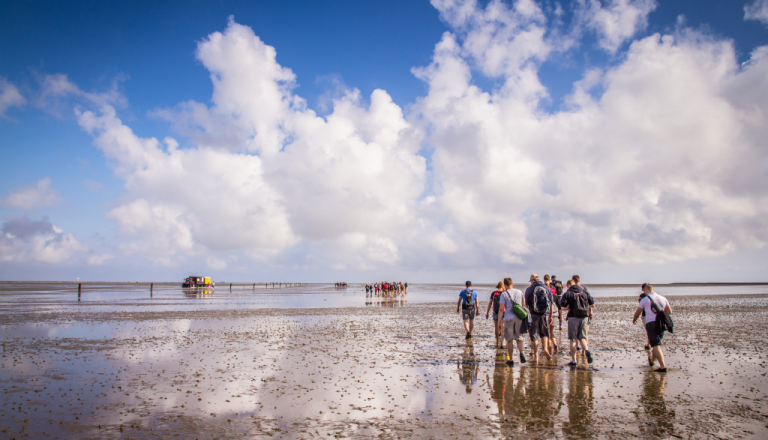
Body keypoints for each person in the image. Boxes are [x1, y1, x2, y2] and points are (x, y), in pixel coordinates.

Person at [633, 283, 672, 372]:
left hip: (651, 323)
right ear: (653, 289)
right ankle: (652, 362)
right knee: (656, 344)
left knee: (656, 345)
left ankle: (663, 367)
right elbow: (669, 311)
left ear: (646, 291)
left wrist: (634, 319)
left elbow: (638, 312)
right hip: (661, 324)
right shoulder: (663, 298)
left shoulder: (645, 299)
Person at [559, 275, 594, 365]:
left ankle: (574, 360)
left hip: (573, 317)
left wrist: (569, 308)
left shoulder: (568, 292)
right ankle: (586, 351)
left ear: (570, 285)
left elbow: (562, 307)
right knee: (582, 337)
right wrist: (588, 308)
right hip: (584, 317)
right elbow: (592, 304)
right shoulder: (584, 290)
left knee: (573, 339)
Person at [497, 277, 527, 366]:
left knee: (509, 340)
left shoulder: (504, 294)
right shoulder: (520, 292)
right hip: (519, 318)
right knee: (519, 337)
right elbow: (524, 305)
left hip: (508, 318)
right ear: (512, 284)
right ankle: (521, 352)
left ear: (505, 285)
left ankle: (510, 359)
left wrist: (499, 322)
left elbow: (501, 309)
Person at [524, 274, 553, 363]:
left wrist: (527, 316)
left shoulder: (529, 289)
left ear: (532, 280)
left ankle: (536, 357)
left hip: (533, 314)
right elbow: (551, 303)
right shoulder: (547, 288)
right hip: (545, 314)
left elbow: (526, 304)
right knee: (544, 333)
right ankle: (545, 349)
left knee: (533, 335)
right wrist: (550, 315)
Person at [485, 281, 505, 348]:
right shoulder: (504, 293)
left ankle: (497, 341)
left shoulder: (493, 293)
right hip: (503, 312)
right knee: (502, 327)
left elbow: (490, 303)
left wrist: (487, 312)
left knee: (496, 327)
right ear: (502, 286)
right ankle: (501, 342)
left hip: (495, 311)